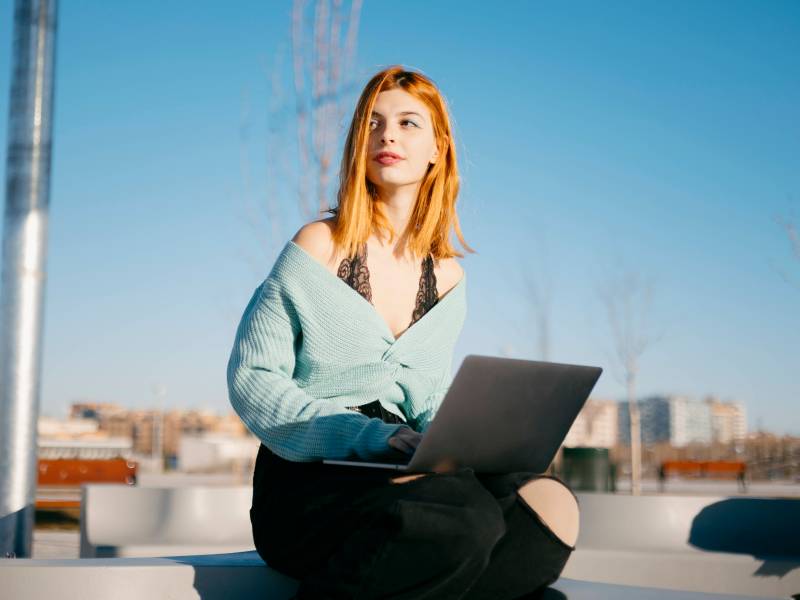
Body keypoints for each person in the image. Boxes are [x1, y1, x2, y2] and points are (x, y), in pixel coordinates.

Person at [227, 65, 580, 600]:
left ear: (438, 149)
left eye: (408, 123)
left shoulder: (449, 277)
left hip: (409, 468)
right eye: (372, 123)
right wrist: (371, 437)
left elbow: (429, 397)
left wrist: (464, 441)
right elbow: (253, 381)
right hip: (312, 477)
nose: (387, 135)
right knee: (463, 522)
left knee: (545, 511)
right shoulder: (317, 246)